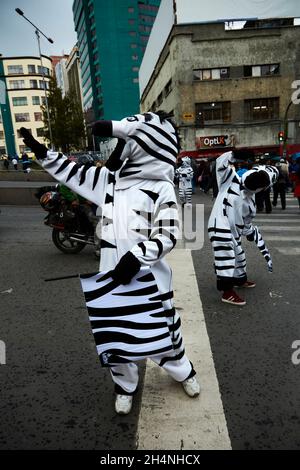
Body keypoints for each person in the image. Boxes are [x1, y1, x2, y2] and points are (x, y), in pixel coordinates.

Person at [20, 112, 200, 415]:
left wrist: (138, 256)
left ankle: (183, 371)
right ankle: (124, 385)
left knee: (164, 330)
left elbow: (169, 234)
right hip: (110, 277)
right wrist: (43, 153)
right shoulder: (108, 181)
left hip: (149, 277)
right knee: (115, 335)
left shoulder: (163, 187)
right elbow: (73, 173)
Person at [208, 149, 278, 306]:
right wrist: (235, 154)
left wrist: (250, 232)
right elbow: (221, 163)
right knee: (226, 257)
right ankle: (227, 292)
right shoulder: (230, 180)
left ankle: (240, 279)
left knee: (239, 256)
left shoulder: (251, 204)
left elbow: (246, 224)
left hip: (234, 232)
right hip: (219, 225)